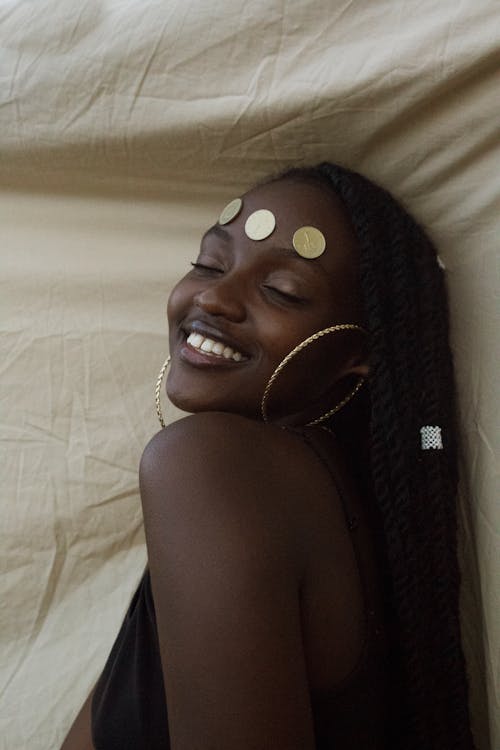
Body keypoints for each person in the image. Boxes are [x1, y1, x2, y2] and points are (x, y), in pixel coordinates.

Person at [61, 163, 475, 750]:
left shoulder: (210, 464)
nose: (213, 295)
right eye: (209, 263)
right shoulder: (332, 494)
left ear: (353, 358)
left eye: (283, 290)